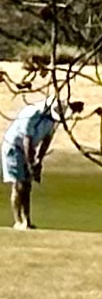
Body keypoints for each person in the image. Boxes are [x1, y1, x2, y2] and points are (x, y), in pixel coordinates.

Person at [3, 92, 59, 230]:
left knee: (27, 186)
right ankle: (18, 221)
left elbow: (47, 140)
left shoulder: (53, 119)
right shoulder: (31, 113)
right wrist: (30, 163)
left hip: (29, 149)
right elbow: (26, 140)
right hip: (13, 147)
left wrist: (39, 160)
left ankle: (27, 221)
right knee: (19, 184)